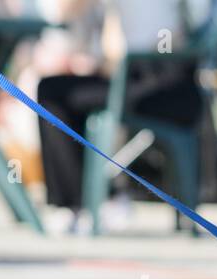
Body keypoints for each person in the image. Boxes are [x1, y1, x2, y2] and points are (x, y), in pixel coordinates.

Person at [35, 0, 204, 224]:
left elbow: (62, 13)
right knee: (59, 90)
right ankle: (98, 198)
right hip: (169, 78)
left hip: (158, 81)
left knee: (53, 93)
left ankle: (80, 203)